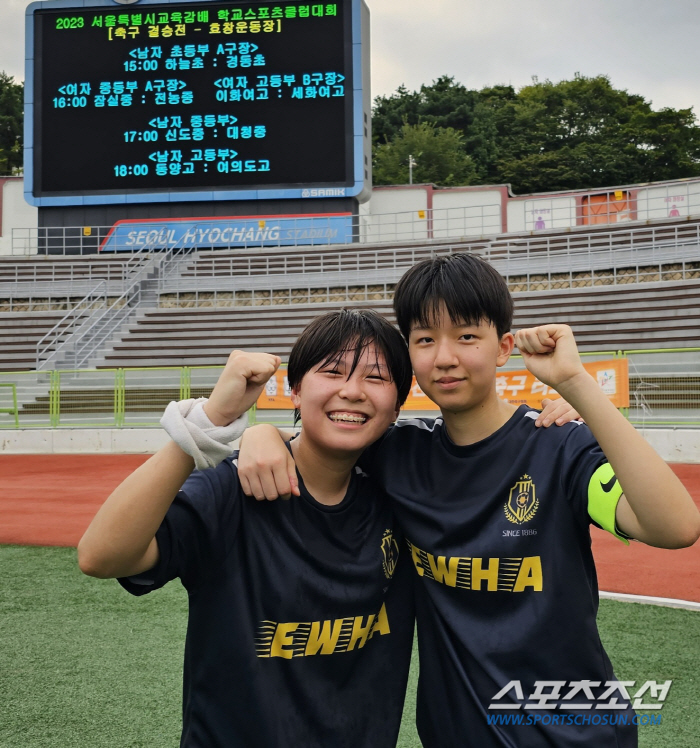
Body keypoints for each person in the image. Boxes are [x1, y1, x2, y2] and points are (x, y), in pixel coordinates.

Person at [238, 253, 700, 747]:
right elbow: (323, 438)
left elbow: (674, 527)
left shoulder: (557, 444)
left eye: (466, 336)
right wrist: (262, 434)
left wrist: (576, 386)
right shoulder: (398, 454)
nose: (444, 357)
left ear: (503, 347)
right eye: (424, 339)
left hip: (574, 735)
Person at [77, 309, 418, 748]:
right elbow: (101, 556)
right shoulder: (234, 489)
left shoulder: (405, 494)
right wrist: (207, 426)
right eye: (332, 372)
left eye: (375, 378)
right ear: (295, 391)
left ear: (396, 407)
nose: (351, 392)